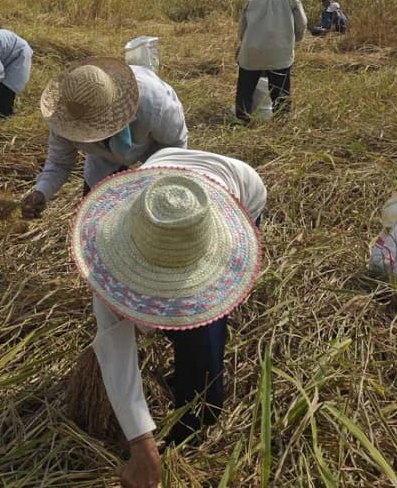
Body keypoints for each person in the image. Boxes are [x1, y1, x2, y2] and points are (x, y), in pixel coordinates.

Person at [71, 149, 265, 487]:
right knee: (161, 320)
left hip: (239, 185)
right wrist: (141, 444)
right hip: (162, 173)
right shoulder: (109, 258)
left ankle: (194, 424)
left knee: (204, 331)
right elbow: (114, 344)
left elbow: (205, 307)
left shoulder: (228, 216)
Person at [19, 57, 189, 219]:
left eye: (96, 128)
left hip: (154, 150)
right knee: (94, 216)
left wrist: (163, 184)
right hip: (102, 162)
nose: (91, 134)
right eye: (85, 131)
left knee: (154, 214)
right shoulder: (65, 115)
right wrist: (41, 192)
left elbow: (175, 147)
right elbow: (59, 163)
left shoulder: (155, 104)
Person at [234, 0, 307, 122]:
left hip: (251, 51)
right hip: (280, 52)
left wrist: (245, 43)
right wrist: (294, 40)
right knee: (280, 91)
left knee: (245, 90)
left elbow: (242, 29)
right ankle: (281, 121)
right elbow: (301, 25)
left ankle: (242, 120)